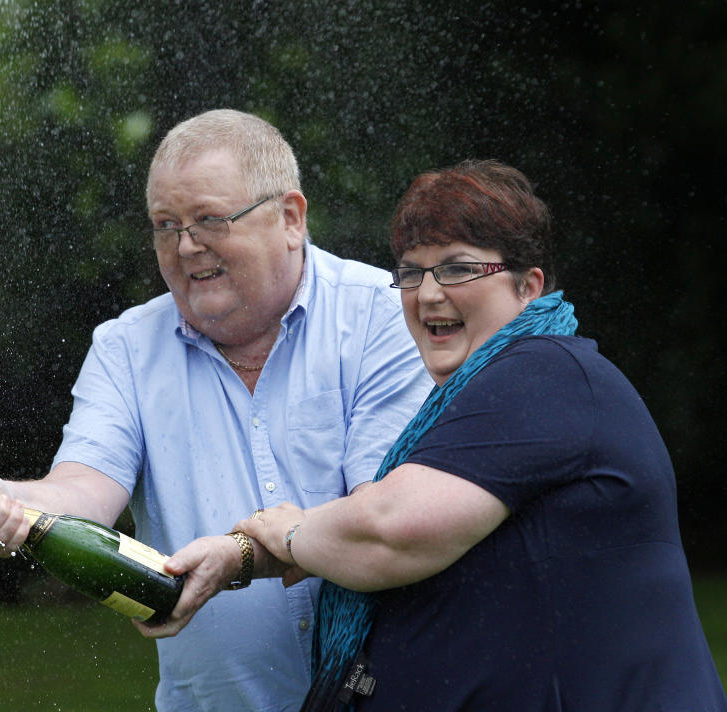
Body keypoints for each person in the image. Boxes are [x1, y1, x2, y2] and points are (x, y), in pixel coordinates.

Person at [0, 109, 433, 711]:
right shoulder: (124, 347)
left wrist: (240, 556)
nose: (185, 245)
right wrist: (15, 508)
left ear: (290, 218)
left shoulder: (384, 317)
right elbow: (84, 489)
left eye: (209, 219)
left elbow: (381, 518)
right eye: (165, 225)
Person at [223, 159, 727, 710]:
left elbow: (388, 533)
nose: (429, 294)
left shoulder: (543, 371)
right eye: (412, 272)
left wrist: (291, 533)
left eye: (458, 269)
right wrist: (252, 555)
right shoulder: (487, 393)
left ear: (528, 286)